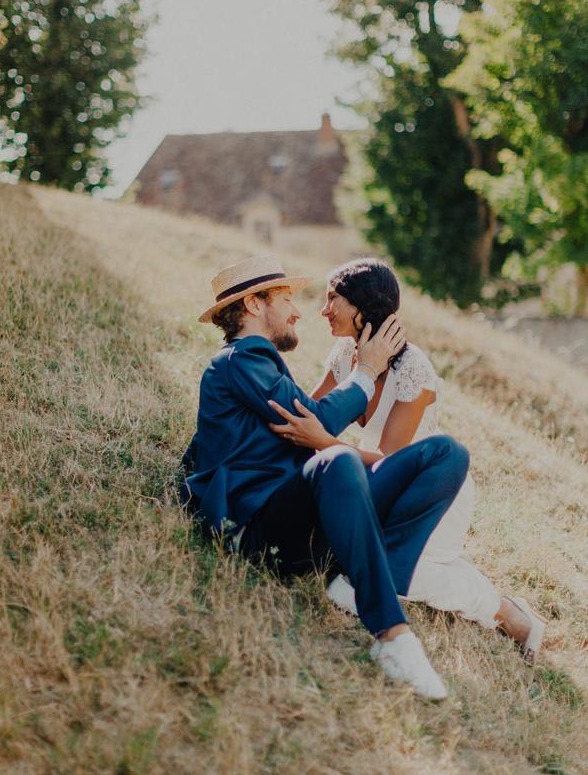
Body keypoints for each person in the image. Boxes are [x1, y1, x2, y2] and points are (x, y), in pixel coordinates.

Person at [183, 254, 470, 699]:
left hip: (308, 521)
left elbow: (308, 425)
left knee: (446, 453)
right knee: (338, 460)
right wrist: (367, 371)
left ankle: (366, 580)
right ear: (255, 305)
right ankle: (393, 636)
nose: (299, 312)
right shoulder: (241, 359)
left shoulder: (258, 364)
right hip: (262, 531)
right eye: (286, 300)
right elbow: (315, 419)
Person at [268, 258, 547, 664]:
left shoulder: (413, 369)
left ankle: (506, 611)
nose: (324, 310)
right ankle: (462, 577)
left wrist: (324, 443)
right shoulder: (345, 352)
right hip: (378, 484)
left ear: (363, 304)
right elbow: (315, 412)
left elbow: (390, 460)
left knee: (394, 575)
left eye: (333, 299)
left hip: (431, 492)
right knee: (352, 556)